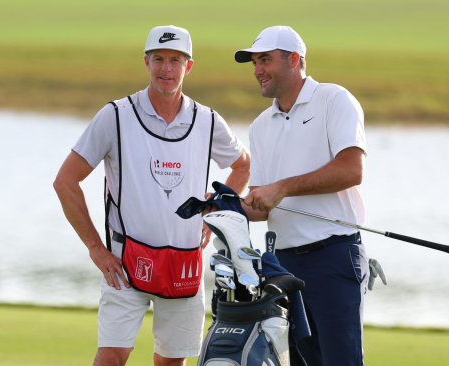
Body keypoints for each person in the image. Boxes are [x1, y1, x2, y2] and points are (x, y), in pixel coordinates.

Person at [54, 25, 250, 366]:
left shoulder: (207, 120)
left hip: (184, 262)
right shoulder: (115, 116)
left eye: (175, 60)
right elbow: (66, 181)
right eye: (158, 58)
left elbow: (242, 165)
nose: (166, 69)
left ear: (189, 67)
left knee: (171, 362)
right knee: (112, 356)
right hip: (125, 263)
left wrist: (217, 206)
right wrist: (97, 250)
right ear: (146, 62)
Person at [234, 26, 384, 366]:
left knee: (340, 361)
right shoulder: (260, 125)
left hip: (334, 255)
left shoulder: (334, 99)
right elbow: (262, 203)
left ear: (294, 59)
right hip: (283, 265)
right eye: (255, 62)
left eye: (265, 60)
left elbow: (351, 170)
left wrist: (283, 187)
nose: (258, 70)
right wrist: (229, 206)